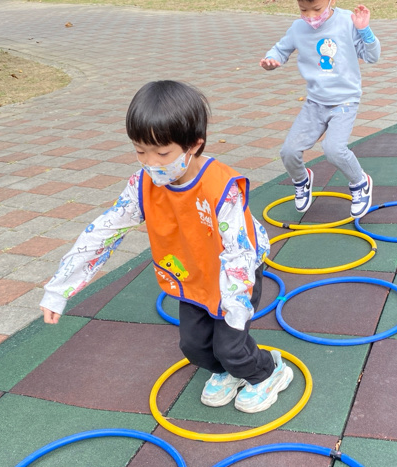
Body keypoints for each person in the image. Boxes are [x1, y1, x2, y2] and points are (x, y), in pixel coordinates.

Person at [39, 80, 292, 414]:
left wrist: (234, 306)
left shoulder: (221, 188)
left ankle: (267, 372)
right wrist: (59, 288)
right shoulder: (142, 184)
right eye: (140, 150)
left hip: (233, 271)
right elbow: (103, 231)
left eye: (161, 153)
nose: (151, 162)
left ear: (193, 145)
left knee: (230, 344)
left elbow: (238, 251)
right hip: (191, 271)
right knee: (194, 346)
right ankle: (226, 372)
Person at [260, 0, 381, 218]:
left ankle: (360, 182)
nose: (310, 16)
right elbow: (280, 50)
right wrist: (271, 61)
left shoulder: (348, 22)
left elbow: (372, 56)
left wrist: (365, 31)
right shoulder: (298, 28)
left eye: (316, 9)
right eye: (303, 10)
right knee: (288, 151)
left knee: (333, 149)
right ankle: (302, 180)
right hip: (315, 103)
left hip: (344, 101)